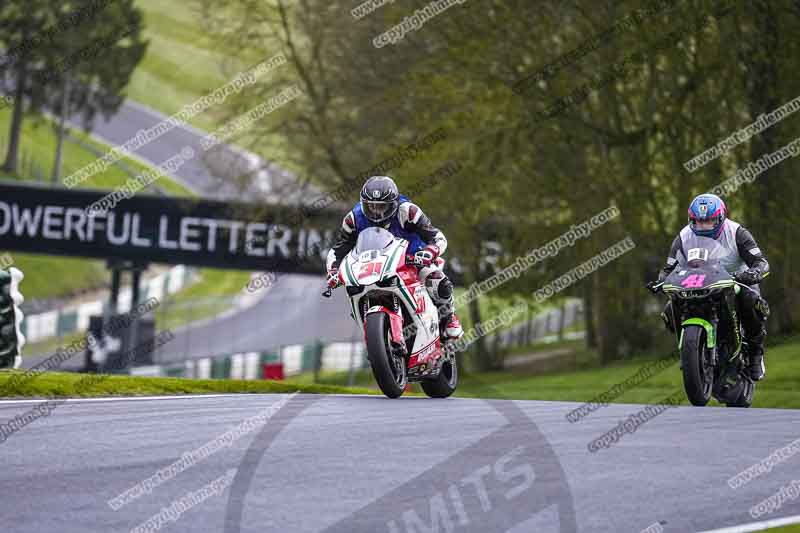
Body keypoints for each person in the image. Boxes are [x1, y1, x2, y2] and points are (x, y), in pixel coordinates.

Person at [325, 175, 464, 342]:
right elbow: (337, 251)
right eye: (371, 206)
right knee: (352, 288)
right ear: (363, 204)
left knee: (436, 278)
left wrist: (429, 251)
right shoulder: (353, 219)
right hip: (371, 265)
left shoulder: (408, 211)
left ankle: (449, 316)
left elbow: (437, 237)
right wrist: (333, 271)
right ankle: (373, 333)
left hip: (412, 258)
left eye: (382, 206)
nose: (377, 212)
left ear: (394, 202)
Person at [649, 193, 770, 381]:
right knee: (669, 310)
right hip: (698, 283)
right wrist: (661, 280)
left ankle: (756, 355)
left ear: (721, 218)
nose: (704, 226)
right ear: (691, 219)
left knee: (751, 302)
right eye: (698, 221)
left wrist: (753, 273)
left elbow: (761, 262)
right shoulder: (683, 237)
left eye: (710, 221)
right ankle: (695, 352)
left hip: (736, 281)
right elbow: (668, 268)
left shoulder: (737, 232)